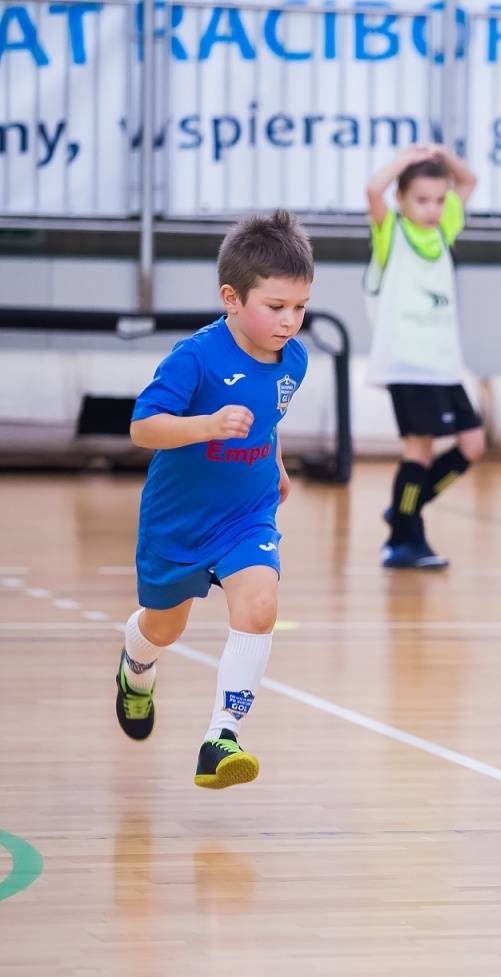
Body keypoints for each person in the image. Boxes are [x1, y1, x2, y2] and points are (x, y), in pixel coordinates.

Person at [115, 210, 314, 789]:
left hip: (247, 513)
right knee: (164, 628)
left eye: (300, 307)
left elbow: (269, 418)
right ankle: (136, 667)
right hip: (178, 520)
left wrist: (275, 461)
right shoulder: (195, 357)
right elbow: (143, 428)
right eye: (275, 306)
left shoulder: (294, 360)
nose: (290, 321)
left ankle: (221, 737)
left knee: (259, 606)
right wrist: (207, 425)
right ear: (231, 298)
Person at [364, 143, 481, 569]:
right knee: (420, 450)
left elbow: (469, 180)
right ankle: (403, 540)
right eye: (421, 200)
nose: (432, 208)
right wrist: (408, 159)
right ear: (401, 199)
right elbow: (372, 190)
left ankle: (403, 510)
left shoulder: (443, 230)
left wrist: (444, 156)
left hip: (444, 365)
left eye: (439, 200)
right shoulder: (391, 232)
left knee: (472, 445)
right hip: (409, 363)